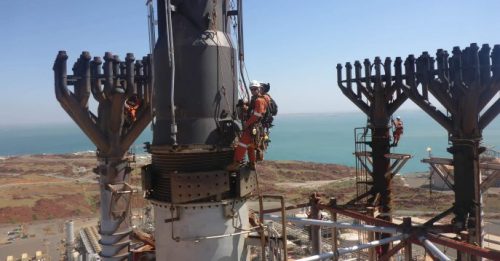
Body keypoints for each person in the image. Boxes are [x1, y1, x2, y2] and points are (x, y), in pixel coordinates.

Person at [227, 81, 268, 171]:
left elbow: (257, 115)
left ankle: (236, 163)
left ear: (259, 89)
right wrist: (246, 107)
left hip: (253, 127)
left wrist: (247, 123)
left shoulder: (259, 100)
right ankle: (252, 164)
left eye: (255, 89)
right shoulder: (257, 99)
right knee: (250, 146)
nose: (253, 91)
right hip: (255, 127)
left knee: (242, 145)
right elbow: (254, 111)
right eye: (251, 89)